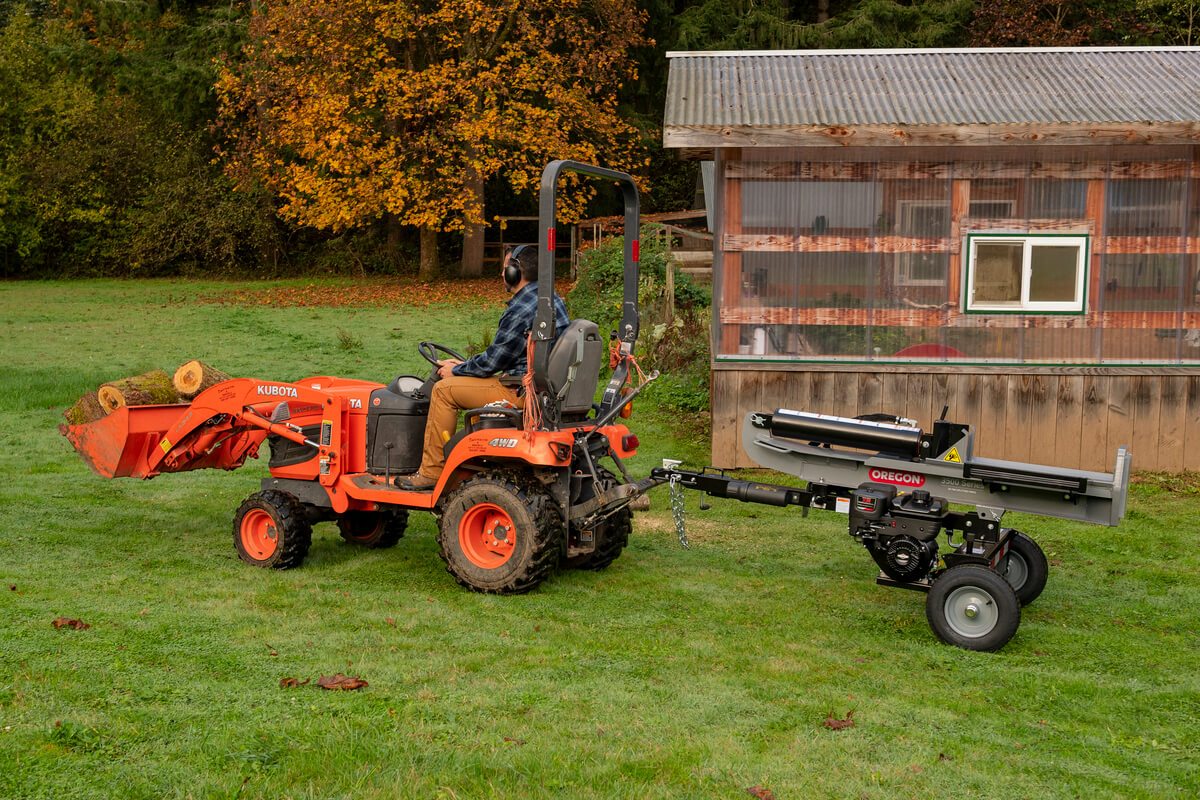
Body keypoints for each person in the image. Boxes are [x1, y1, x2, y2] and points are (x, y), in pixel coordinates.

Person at [398, 244, 570, 490]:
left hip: (521, 391)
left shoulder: (522, 309)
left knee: (444, 390)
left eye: (504, 269)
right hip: (545, 389)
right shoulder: (550, 299)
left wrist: (455, 371)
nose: (501, 275)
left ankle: (431, 472)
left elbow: (492, 363)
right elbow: (505, 355)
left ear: (515, 273)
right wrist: (464, 365)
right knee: (453, 379)